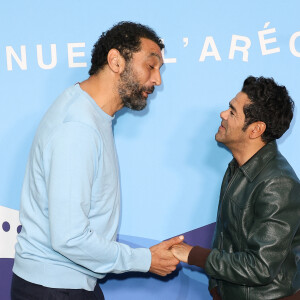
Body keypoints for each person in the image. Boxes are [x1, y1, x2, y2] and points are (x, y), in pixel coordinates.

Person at [11, 21, 183, 300]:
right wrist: (145, 260)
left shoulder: (90, 113)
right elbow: (70, 237)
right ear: (115, 61)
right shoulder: (78, 127)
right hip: (54, 289)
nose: (157, 80)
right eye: (151, 66)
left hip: (69, 283)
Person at [171, 76, 300, 300]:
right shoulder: (238, 167)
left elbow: (261, 267)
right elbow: (226, 238)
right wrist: (216, 288)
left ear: (255, 130)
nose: (222, 114)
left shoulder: (279, 184)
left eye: (232, 112)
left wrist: (193, 255)